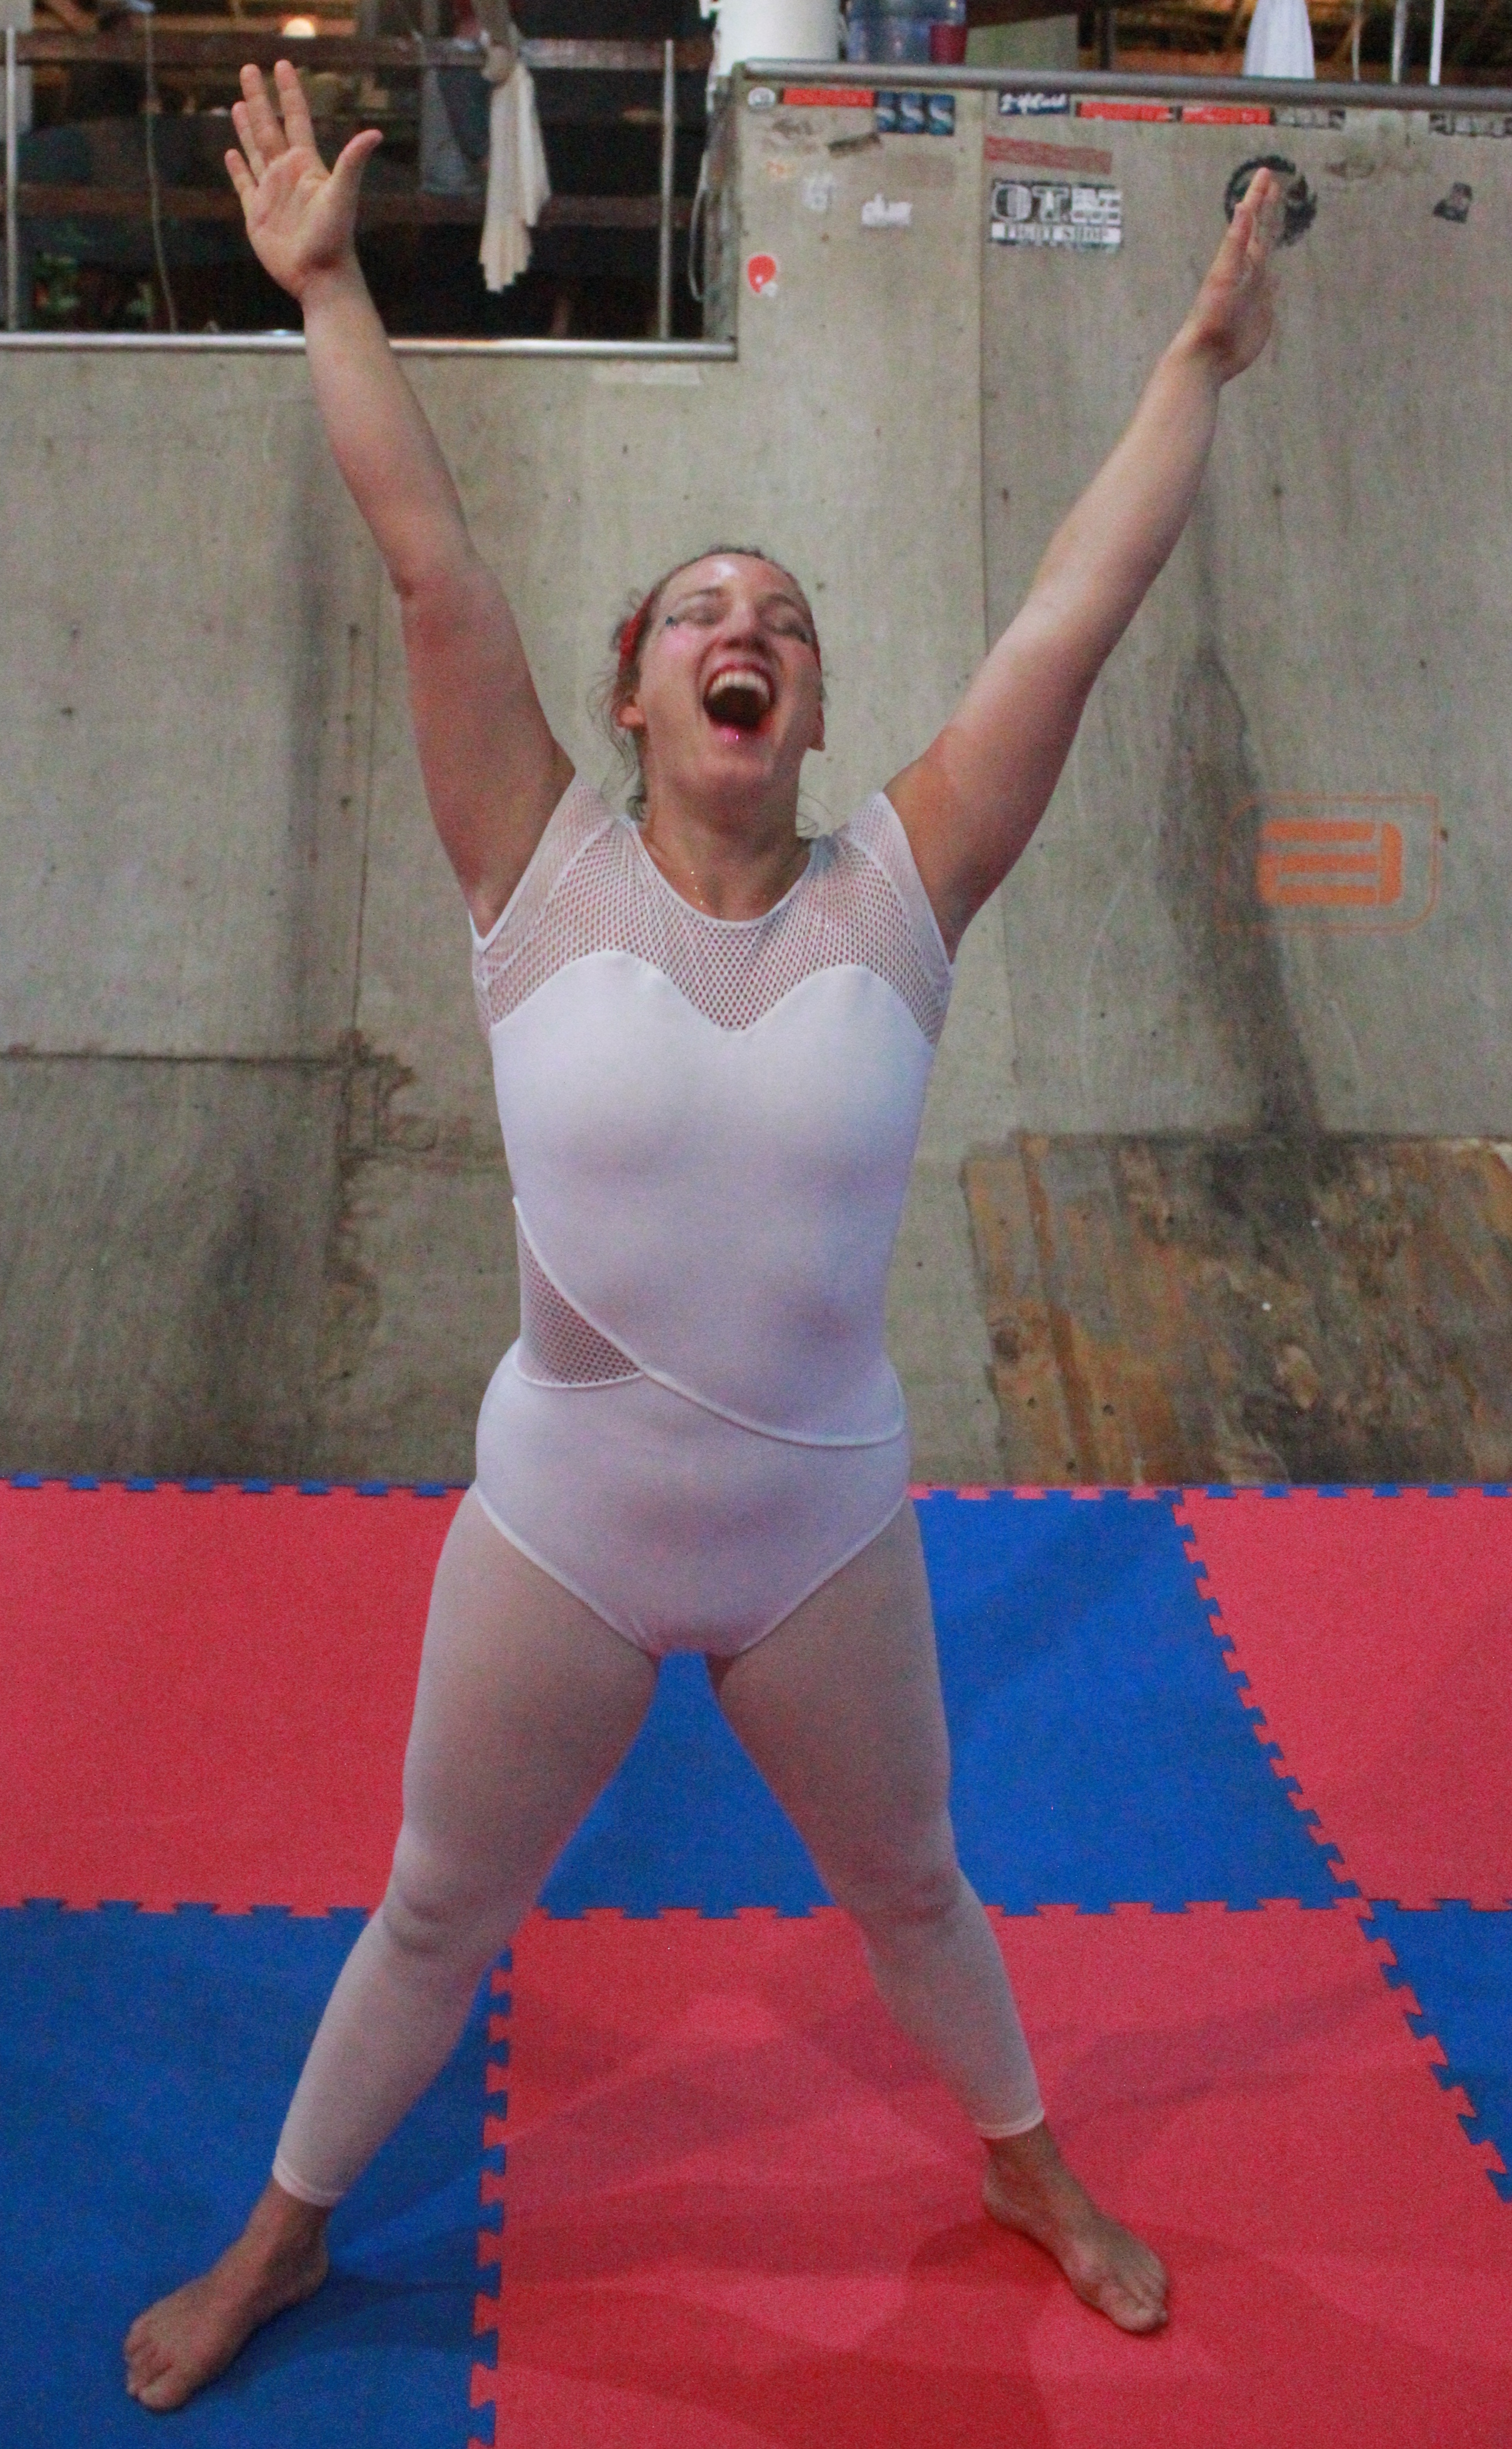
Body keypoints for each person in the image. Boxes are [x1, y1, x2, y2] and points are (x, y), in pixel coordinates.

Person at [124, 61, 1282, 2411]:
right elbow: (433, 562)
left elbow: (1076, 612)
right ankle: (279, 2233)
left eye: (787, 620)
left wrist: (1195, 366)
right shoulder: (534, 865)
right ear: (637, 691)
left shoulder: (902, 888)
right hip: (563, 1517)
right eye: (701, 614)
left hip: (817, 1526)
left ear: (806, 706)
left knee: (915, 1883)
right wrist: (328, 291)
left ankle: (1029, 2167)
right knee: (436, 1903)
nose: (747, 631)